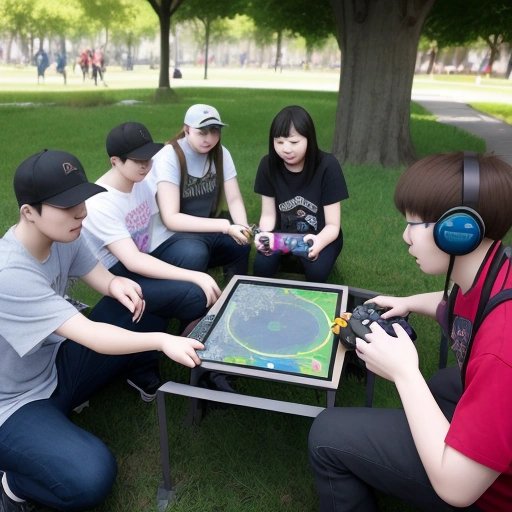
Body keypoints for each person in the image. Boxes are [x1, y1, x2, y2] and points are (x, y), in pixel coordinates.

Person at [0, 149, 204, 512]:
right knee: (91, 476)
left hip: (54, 365)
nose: (81, 212)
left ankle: (136, 374)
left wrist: (115, 286)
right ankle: (13, 485)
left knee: (145, 301)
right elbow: (92, 335)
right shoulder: (10, 275)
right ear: (29, 213)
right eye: (66, 206)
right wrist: (161, 341)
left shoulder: (65, 234)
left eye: (81, 199)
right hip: (14, 404)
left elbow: (100, 276)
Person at [308, 152, 512, 511]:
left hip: (485, 494)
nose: (405, 237)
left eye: (415, 224)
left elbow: (457, 489)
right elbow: (458, 303)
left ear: (459, 231)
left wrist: (404, 373)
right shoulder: (494, 271)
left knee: (327, 435)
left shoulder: (502, 350)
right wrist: (410, 302)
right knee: (442, 387)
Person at [148, 104, 251, 281]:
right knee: (194, 254)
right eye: (202, 132)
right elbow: (171, 219)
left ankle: (236, 288)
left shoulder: (221, 153)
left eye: (214, 131)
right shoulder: (169, 156)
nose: (209, 139)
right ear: (187, 130)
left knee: (240, 243)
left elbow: (234, 199)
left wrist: (243, 228)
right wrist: (225, 226)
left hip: (203, 229)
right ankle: (195, 291)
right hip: (169, 236)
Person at [253, 105, 348, 283]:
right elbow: (267, 215)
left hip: (320, 234)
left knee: (317, 273)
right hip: (282, 236)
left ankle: (306, 260)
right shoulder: (267, 165)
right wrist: (263, 234)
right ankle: (288, 260)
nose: (286, 149)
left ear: (309, 139)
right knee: (261, 269)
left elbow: (333, 225)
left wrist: (319, 242)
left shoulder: (328, 166)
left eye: (294, 142)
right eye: (279, 142)